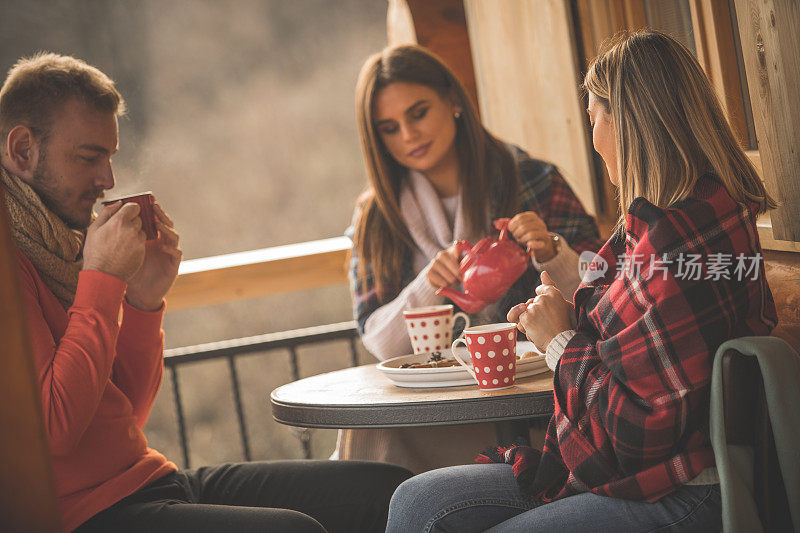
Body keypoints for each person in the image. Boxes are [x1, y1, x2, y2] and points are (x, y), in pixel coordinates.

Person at [385, 30, 778, 532]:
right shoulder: (683, 221)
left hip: (679, 488)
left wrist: (559, 342)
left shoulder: (673, 242)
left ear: (627, 124)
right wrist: (570, 315)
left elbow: (637, 437)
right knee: (417, 502)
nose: (593, 139)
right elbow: (638, 333)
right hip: (652, 471)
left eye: (593, 117)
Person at [1, 52, 411, 533]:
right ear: (23, 149)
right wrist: (103, 277)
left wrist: (142, 301)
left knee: (391, 492)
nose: (107, 181)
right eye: (89, 157)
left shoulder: (56, 247)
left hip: (151, 482)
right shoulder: (16, 264)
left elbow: (124, 412)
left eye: (109, 158)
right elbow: (54, 428)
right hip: (86, 515)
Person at [338, 44, 602, 473]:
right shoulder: (376, 217)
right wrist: (427, 283)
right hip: (442, 407)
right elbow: (378, 339)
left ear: (454, 100)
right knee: (369, 432)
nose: (408, 135)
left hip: (537, 405)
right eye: (389, 127)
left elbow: (608, 290)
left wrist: (554, 253)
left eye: (418, 113)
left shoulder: (532, 180)